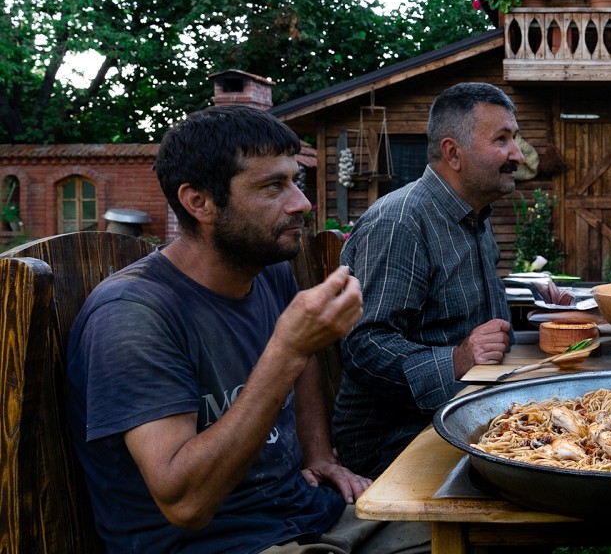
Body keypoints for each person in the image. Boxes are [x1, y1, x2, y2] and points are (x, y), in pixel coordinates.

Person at [66, 104, 431, 554]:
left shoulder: (266, 270)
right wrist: (286, 350)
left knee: (470, 520)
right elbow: (185, 506)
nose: (301, 203)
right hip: (220, 542)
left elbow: (306, 364)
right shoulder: (132, 316)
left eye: (294, 181)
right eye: (273, 186)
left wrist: (318, 454)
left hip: (302, 513)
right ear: (198, 202)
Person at [334, 82, 519, 477]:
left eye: (514, 139)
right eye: (501, 140)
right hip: (395, 441)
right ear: (453, 152)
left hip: (461, 409)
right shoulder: (400, 222)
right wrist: (457, 358)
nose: (516, 154)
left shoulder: (474, 216)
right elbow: (363, 347)